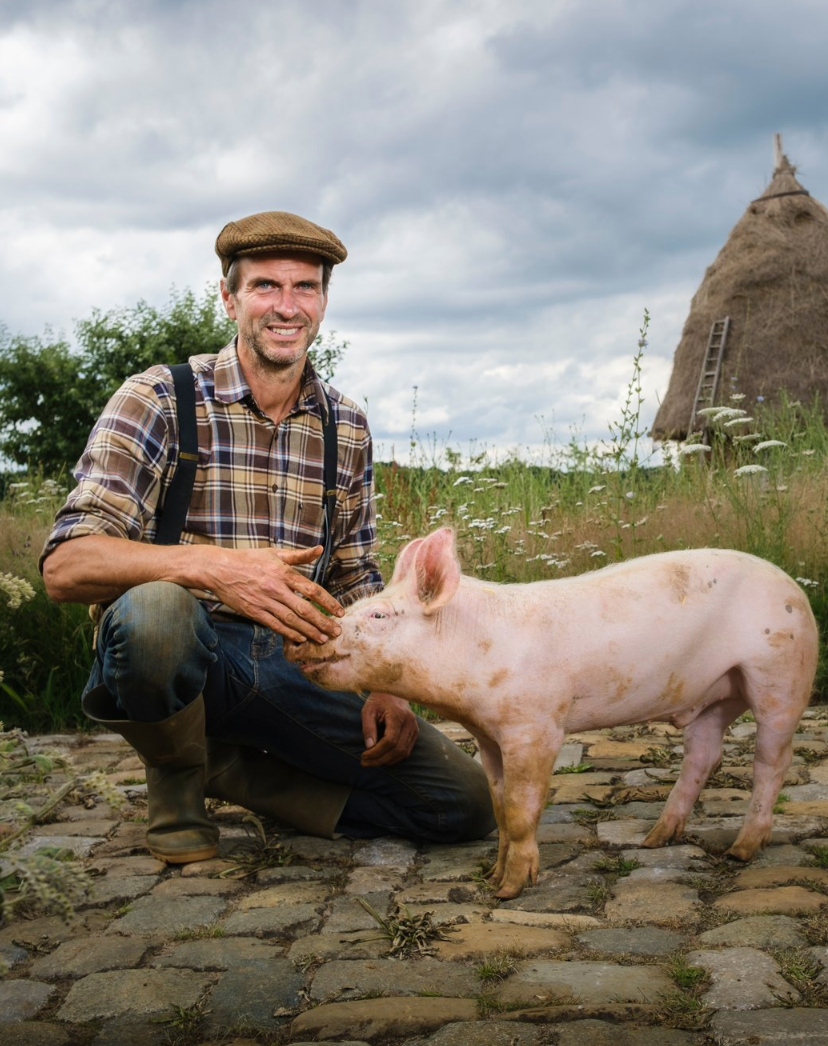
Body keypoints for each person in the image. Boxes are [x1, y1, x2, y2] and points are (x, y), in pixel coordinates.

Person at [40, 210, 494, 864]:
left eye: (304, 287)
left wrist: (389, 681)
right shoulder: (160, 397)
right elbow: (66, 565)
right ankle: (176, 777)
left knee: (462, 805)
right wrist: (216, 569)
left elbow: (355, 575)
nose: (287, 306)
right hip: (191, 655)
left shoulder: (345, 423)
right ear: (230, 299)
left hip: (300, 658)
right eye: (265, 286)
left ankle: (227, 768)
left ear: (323, 302)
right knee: (156, 615)